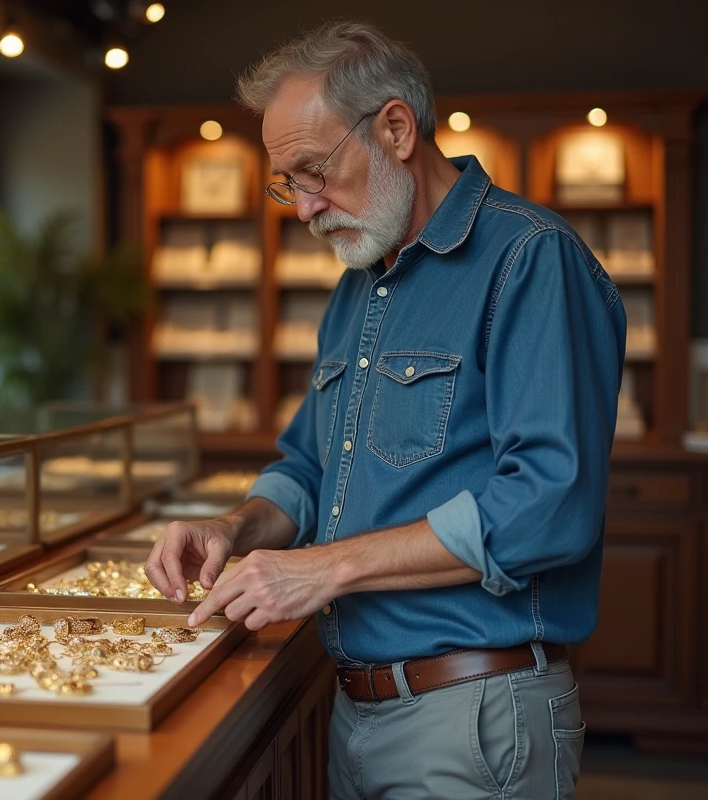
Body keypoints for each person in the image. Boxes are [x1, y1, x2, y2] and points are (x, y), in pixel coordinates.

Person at [144, 20, 626, 800]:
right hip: (357, 713)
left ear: (396, 128)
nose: (302, 208)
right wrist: (233, 529)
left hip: (473, 719)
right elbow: (306, 468)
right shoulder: (359, 284)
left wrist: (327, 568)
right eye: (287, 183)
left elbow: (551, 503)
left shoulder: (531, 258)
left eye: (312, 170)